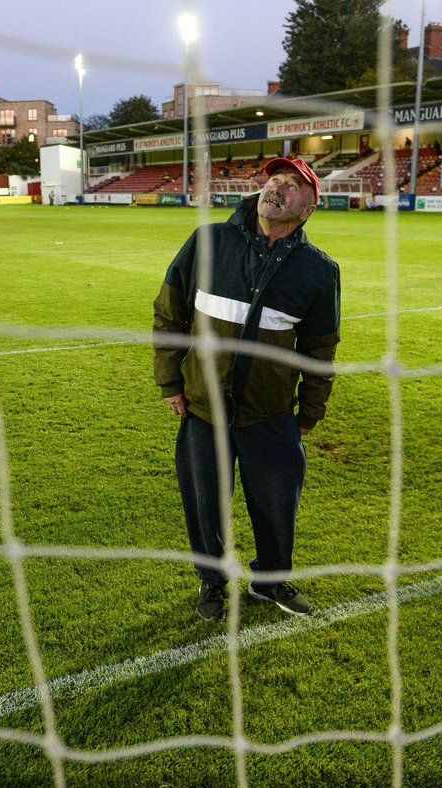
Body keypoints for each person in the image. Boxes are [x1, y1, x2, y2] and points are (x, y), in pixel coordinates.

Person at [152, 157, 341, 622]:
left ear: (309, 208)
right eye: (276, 178)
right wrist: (170, 381)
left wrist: (309, 413)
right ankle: (212, 583)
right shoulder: (208, 241)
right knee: (205, 506)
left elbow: (320, 350)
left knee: (277, 507)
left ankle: (271, 582)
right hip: (202, 409)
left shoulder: (319, 271)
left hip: (272, 415)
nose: (279, 186)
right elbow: (170, 313)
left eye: (294, 185)